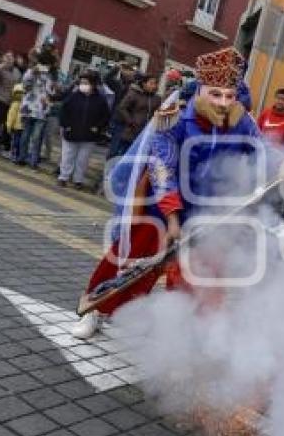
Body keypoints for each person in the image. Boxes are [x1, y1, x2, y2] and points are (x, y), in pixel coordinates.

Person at [72, 47, 260, 339]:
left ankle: (187, 333)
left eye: (230, 96)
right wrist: (173, 219)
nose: (223, 103)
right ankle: (98, 309)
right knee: (133, 261)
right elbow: (162, 170)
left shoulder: (243, 122)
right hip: (160, 207)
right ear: (201, 90)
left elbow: (262, 153)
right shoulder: (173, 120)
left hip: (208, 211)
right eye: (216, 94)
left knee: (201, 275)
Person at [57, 72, 111, 189]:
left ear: (93, 84)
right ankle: (63, 177)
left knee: (83, 159)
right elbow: (63, 111)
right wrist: (65, 125)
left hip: (89, 135)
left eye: (86, 83)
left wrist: (98, 127)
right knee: (67, 156)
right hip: (71, 131)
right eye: (81, 83)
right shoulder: (73, 96)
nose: (83, 85)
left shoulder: (100, 100)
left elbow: (105, 116)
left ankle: (78, 180)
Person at [17, 52, 58, 168]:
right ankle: (21, 157)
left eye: (49, 65)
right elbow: (25, 84)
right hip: (29, 108)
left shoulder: (51, 76)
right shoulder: (31, 71)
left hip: (42, 110)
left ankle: (33, 161)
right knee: (25, 134)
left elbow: (52, 93)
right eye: (45, 64)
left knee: (37, 137)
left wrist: (53, 90)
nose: (47, 67)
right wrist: (34, 73)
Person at [112, 74, 161, 157]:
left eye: (155, 84)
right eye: (151, 83)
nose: (154, 86)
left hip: (146, 133)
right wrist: (130, 121)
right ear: (144, 84)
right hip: (131, 130)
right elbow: (122, 107)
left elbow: (158, 112)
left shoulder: (157, 98)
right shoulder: (134, 94)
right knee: (121, 155)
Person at [5, 83, 25, 162]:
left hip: (17, 127)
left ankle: (14, 155)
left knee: (16, 142)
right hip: (21, 127)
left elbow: (11, 116)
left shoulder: (15, 104)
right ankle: (17, 155)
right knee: (20, 142)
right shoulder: (23, 104)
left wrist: (8, 126)